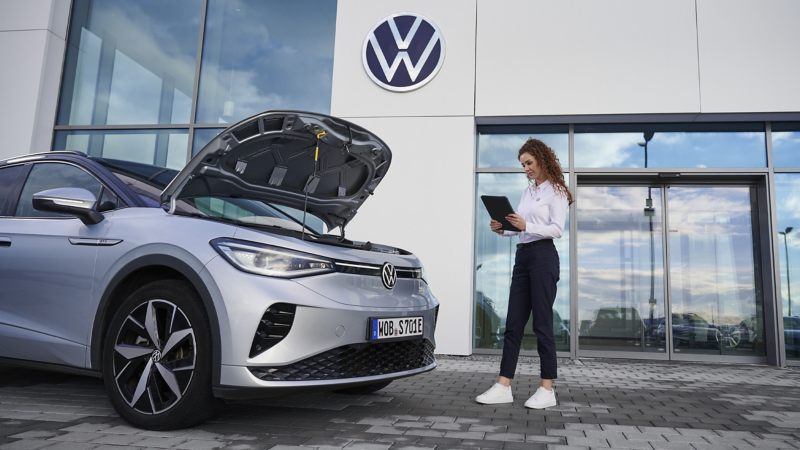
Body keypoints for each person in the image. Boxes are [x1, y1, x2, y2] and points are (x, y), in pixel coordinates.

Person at [475, 138, 572, 409]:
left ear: (542, 160)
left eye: (529, 163)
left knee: (542, 324)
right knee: (513, 324)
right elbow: (520, 227)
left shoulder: (557, 192)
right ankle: (503, 386)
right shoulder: (528, 193)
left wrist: (526, 224)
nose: (526, 168)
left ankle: (547, 389)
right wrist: (503, 228)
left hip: (543, 256)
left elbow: (557, 230)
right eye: (523, 165)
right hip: (523, 256)